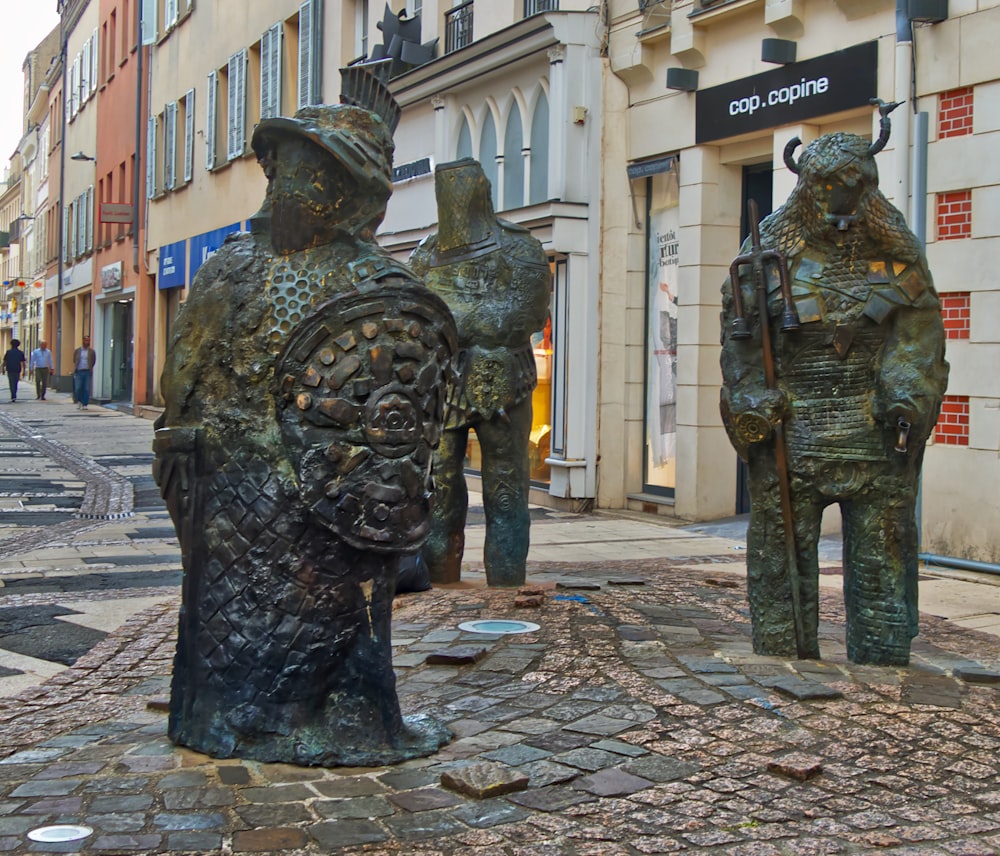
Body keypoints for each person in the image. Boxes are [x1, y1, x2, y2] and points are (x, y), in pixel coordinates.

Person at [720, 104, 948, 666]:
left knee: (881, 559)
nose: (836, 204)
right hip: (792, 431)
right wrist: (753, 400)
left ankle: (881, 648)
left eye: (849, 189)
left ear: (866, 189)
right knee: (782, 553)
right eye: (825, 189)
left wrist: (904, 393)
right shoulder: (766, 258)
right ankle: (784, 649)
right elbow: (742, 345)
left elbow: (918, 335)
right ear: (807, 189)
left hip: (874, 432)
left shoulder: (898, 258)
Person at [72, 335, 96, 410]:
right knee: (78, 388)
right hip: (79, 371)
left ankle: (85, 403)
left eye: (88, 340)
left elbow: (93, 361)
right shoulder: (77, 351)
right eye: (86, 340)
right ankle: (79, 401)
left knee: (86, 388)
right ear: (83, 341)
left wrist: (90, 367)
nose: (87, 342)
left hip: (87, 372)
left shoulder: (92, 351)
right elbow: (74, 360)